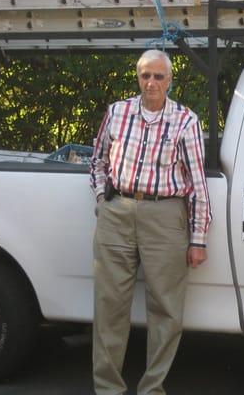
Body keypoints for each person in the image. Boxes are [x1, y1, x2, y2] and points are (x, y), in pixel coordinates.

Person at [89, 49, 211, 395]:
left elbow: (198, 183)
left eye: (159, 76)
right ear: (138, 78)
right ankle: (107, 389)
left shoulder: (186, 121)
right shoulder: (117, 113)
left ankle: (152, 388)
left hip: (166, 215)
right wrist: (102, 199)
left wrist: (198, 238)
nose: (152, 82)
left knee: (166, 309)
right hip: (118, 210)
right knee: (109, 305)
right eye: (146, 75)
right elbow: (97, 160)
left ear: (170, 80)